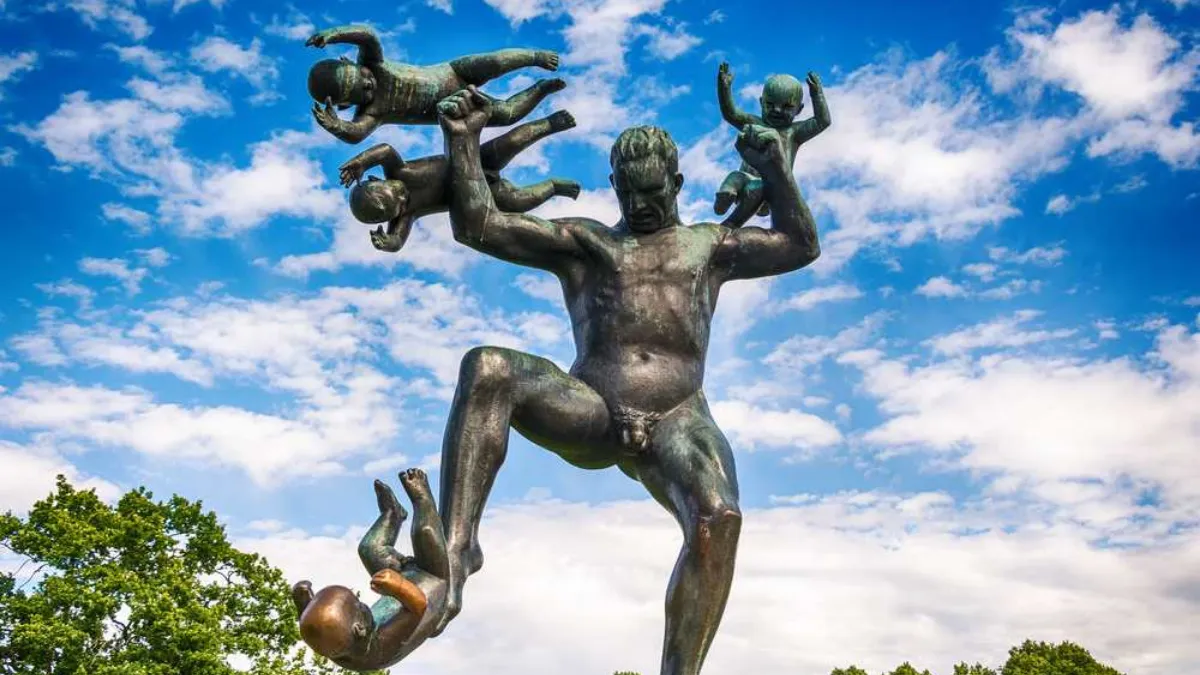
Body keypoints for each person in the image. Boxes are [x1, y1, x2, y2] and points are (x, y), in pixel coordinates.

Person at [430, 86, 822, 675]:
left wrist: (776, 171)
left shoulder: (709, 247)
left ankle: (679, 671)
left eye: (654, 191)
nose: (640, 204)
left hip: (677, 415)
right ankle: (455, 553)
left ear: (678, 184)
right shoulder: (589, 244)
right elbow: (480, 224)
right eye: (629, 192)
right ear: (614, 186)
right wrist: (463, 142)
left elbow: (799, 245)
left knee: (720, 518)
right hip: (592, 406)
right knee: (487, 366)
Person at [338, 111, 581, 253]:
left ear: (376, 178)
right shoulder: (406, 214)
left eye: (397, 192)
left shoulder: (398, 170)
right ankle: (553, 186)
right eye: (400, 205)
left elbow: (385, 150)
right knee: (518, 201)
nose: (404, 198)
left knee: (511, 142)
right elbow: (398, 240)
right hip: (477, 193)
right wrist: (388, 242)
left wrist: (361, 161)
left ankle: (549, 124)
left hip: (470, 158)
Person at [292, 469, 448, 671]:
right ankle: (422, 498)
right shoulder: (379, 648)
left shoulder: (335, 643)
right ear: (359, 628)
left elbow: (314, 630)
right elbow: (418, 607)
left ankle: (393, 514)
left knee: (369, 548)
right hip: (430, 582)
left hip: (404, 580)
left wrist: (304, 601)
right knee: (424, 532)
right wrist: (398, 586)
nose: (360, 601)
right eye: (357, 604)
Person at [305, 24, 565, 144]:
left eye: (360, 77)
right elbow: (356, 134)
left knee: (495, 62)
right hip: (456, 107)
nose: (368, 84)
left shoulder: (374, 62)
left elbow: (367, 35)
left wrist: (335, 34)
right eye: (360, 92)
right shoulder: (373, 113)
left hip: (453, 73)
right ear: (346, 105)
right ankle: (541, 88)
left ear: (350, 62)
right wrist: (336, 127)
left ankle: (534, 56)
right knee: (507, 114)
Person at [714, 62, 830, 224]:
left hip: (775, 190)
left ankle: (731, 223)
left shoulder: (794, 132)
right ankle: (724, 198)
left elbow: (822, 121)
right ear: (761, 102)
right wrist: (724, 88)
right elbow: (730, 113)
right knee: (735, 177)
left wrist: (817, 95)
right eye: (770, 104)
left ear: (799, 109)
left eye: (787, 106)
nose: (777, 110)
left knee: (757, 187)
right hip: (746, 182)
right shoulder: (754, 122)